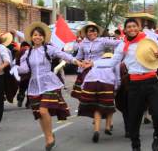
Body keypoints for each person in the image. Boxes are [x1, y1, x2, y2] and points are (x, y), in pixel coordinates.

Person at [86, 18, 158, 151]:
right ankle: (136, 145)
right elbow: (112, 62)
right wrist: (94, 63)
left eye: (134, 26)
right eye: (129, 27)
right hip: (134, 84)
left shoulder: (148, 38)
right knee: (134, 118)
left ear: (138, 27)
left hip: (152, 81)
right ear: (125, 29)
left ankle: (157, 136)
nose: (132, 29)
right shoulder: (123, 45)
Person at [16, 22, 82, 151]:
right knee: (40, 114)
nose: (38, 37)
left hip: (49, 83)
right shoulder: (27, 53)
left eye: (40, 35)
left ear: (44, 37)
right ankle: (48, 137)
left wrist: (75, 61)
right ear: (31, 37)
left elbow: (62, 55)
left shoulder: (48, 49)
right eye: (35, 35)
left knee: (43, 110)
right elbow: (24, 69)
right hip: (34, 86)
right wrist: (14, 68)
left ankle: (50, 136)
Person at [72, 23, 120, 100]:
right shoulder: (83, 43)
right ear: (86, 33)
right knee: (84, 95)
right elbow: (78, 57)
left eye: (94, 31)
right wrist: (80, 62)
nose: (92, 33)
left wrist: (117, 55)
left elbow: (118, 43)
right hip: (85, 70)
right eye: (90, 31)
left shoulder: (102, 41)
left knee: (99, 94)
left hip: (99, 70)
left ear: (97, 32)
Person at [78, 52, 118, 143]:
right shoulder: (115, 61)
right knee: (109, 105)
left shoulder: (96, 61)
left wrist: (83, 86)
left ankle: (96, 130)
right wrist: (116, 87)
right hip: (106, 84)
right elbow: (117, 77)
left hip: (91, 83)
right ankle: (107, 127)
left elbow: (88, 74)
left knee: (97, 107)